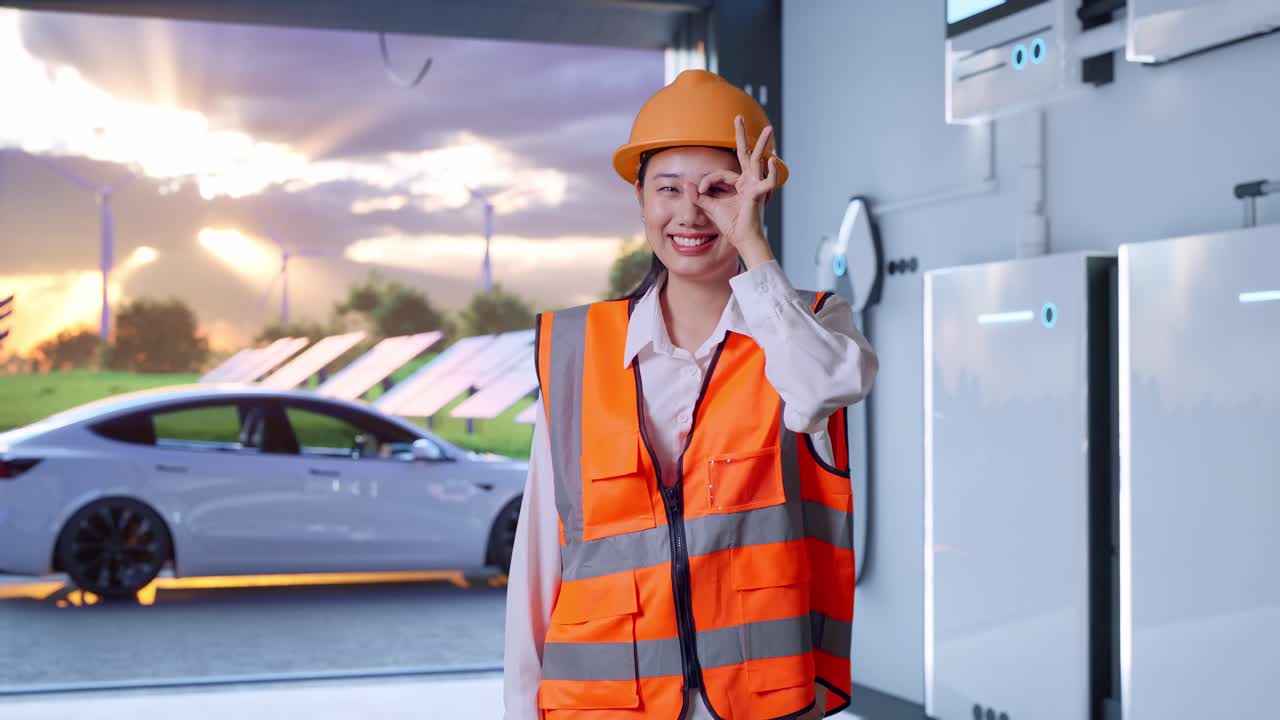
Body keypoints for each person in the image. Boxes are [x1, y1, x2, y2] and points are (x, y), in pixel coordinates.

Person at [503, 69, 877, 720]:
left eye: (719, 190)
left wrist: (754, 249)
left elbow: (823, 389)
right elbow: (536, 560)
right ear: (640, 200)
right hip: (601, 705)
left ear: (755, 196)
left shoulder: (813, 323)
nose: (690, 214)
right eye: (667, 189)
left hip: (760, 701)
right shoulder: (577, 350)